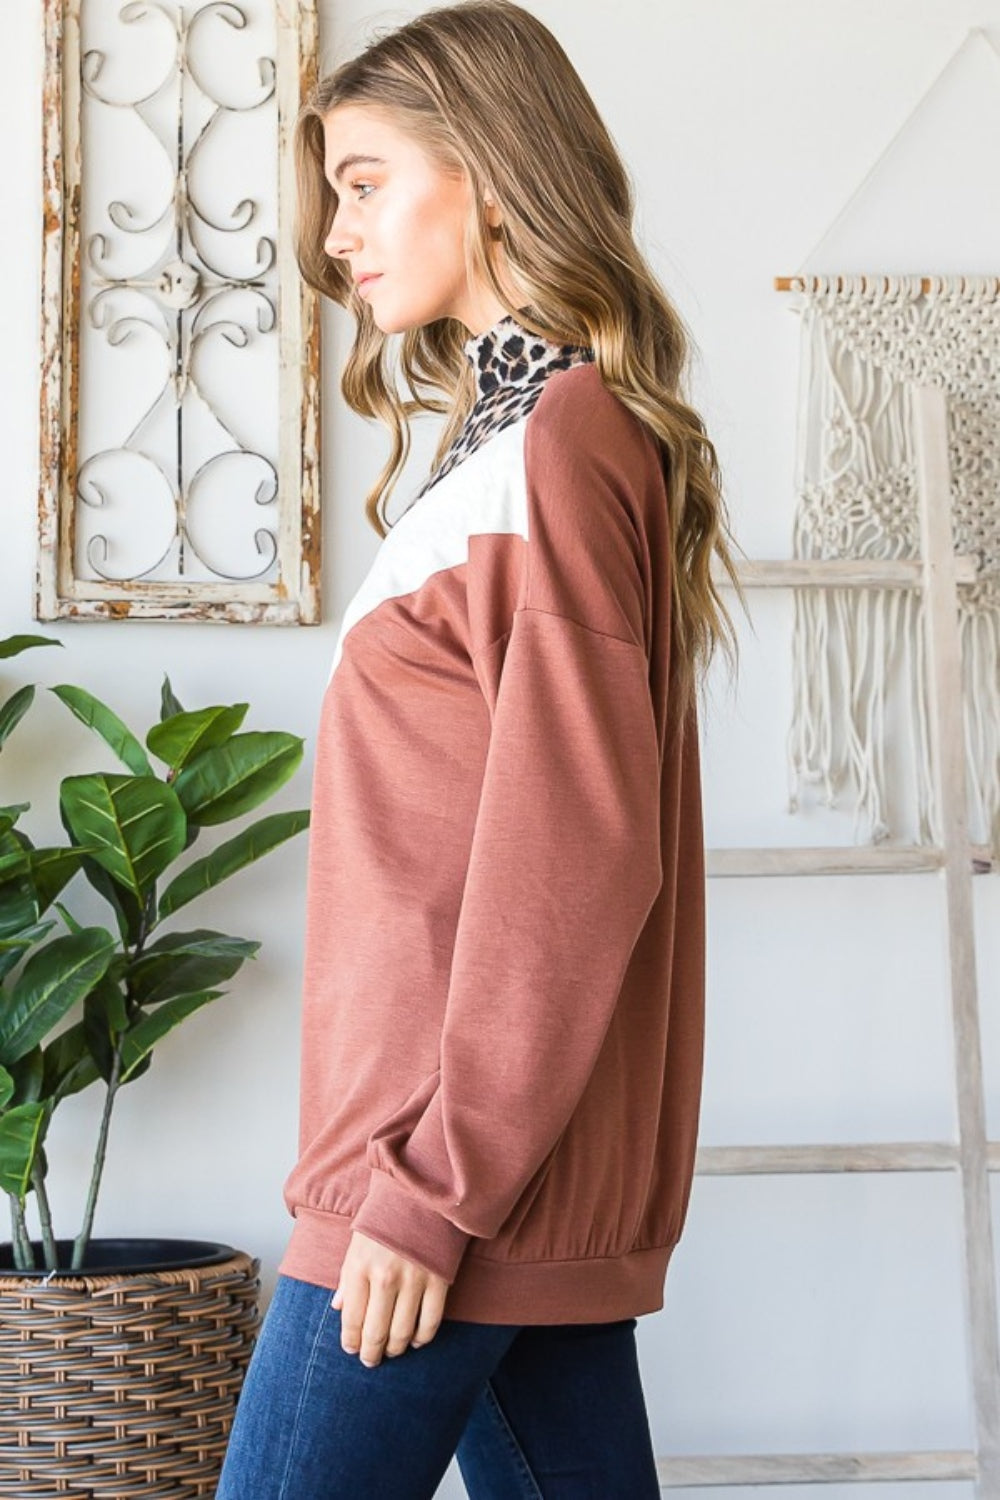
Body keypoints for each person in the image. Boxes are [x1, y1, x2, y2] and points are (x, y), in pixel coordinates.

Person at [216, 2, 741, 1495]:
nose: (337, 234)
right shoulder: (506, 440)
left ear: (492, 174)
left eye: (368, 182)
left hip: (435, 1167)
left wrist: (427, 1192)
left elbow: (579, 853)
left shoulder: (561, 442)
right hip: (493, 1162)